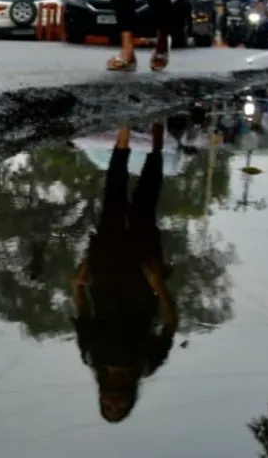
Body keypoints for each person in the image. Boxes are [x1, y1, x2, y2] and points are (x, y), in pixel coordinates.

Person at [69, 122, 178, 423]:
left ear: (101, 399)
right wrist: (159, 286)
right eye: (120, 408)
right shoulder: (146, 364)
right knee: (145, 203)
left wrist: (77, 284)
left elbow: (84, 315)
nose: (114, 403)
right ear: (131, 401)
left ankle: (123, 137)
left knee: (114, 201)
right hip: (142, 277)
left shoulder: (92, 359)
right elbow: (170, 325)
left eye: (108, 407)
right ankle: (157, 143)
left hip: (105, 268)